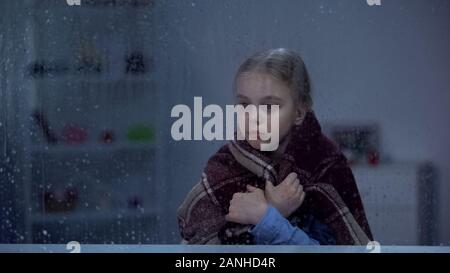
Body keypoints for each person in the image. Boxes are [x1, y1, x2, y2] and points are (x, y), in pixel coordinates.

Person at [177, 48, 373, 245]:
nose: (253, 118)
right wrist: (274, 209)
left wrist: (267, 217)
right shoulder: (225, 166)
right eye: (244, 105)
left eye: (269, 107)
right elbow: (194, 246)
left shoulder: (325, 165)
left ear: (298, 112)